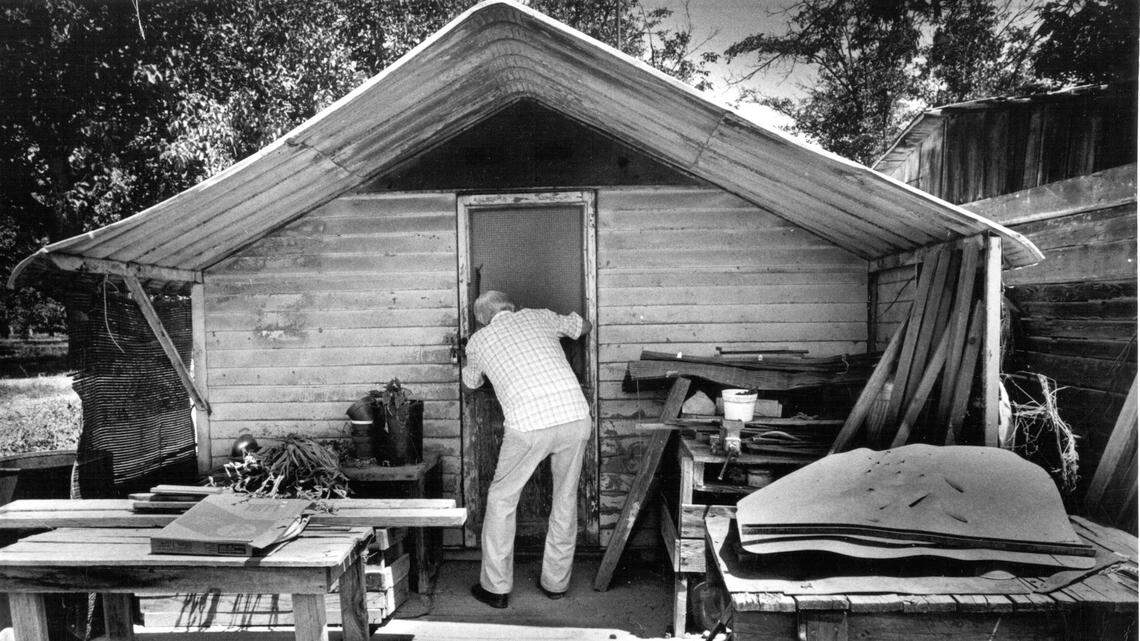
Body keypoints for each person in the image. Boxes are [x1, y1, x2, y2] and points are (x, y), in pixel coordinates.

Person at [461, 290, 593, 609]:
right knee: (564, 498)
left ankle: (496, 588)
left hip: (529, 426)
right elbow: (583, 326)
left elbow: (472, 384)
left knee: (502, 499)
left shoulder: (478, 341)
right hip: (575, 416)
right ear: (513, 307)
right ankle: (555, 584)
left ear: (481, 319)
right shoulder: (538, 315)